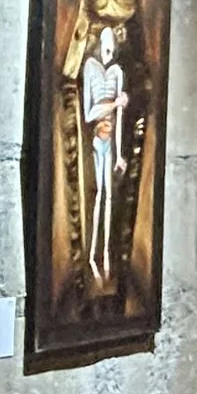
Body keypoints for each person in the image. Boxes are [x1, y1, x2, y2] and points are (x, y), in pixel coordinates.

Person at [79, 24, 129, 285]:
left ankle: (106, 254)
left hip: (110, 141)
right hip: (97, 140)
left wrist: (120, 154)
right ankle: (90, 257)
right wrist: (113, 103)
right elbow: (89, 114)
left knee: (110, 195)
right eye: (104, 40)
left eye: (112, 41)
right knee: (98, 195)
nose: (108, 45)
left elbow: (119, 119)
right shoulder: (90, 67)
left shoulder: (117, 72)